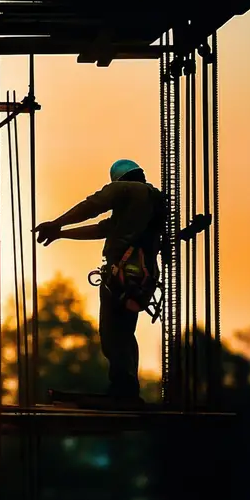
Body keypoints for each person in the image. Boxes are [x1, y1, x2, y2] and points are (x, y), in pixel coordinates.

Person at [34, 158, 166, 405]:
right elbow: (100, 229)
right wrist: (60, 233)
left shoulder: (124, 189)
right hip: (142, 277)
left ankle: (122, 389)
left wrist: (57, 223)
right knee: (125, 332)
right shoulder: (150, 200)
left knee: (112, 332)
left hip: (123, 276)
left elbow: (92, 206)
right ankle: (127, 386)